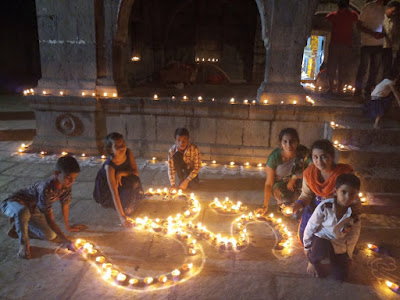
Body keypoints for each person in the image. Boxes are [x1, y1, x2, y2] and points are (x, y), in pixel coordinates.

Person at [1, 156, 83, 259]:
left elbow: (65, 205)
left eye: (74, 178)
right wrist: (65, 239)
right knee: (23, 211)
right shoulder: (46, 188)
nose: (71, 181)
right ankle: (23, 243)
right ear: (57, 173)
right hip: (13, 203)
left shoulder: (66, 186)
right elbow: (49, 219)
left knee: (51, 235)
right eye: (68, 178)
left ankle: (17, 227)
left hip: (32, 210)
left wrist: (68, 226)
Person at [293, 139, 362, 244]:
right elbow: (306, 195)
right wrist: (298, 204)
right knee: (305, 238)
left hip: (337, 210)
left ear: (332, 157)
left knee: (336, 241)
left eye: (324, 157)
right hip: (316, 209)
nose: (319, 162)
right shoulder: (309, 173)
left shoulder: (344, 173)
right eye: (315, 157)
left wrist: (353, 210)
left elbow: (352, 194)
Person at [304, 174, 361, 281]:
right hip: (322, 238)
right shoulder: (325, 206)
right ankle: (313, 261)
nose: (347, 197)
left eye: (352, 194)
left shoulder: (354, 216)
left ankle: (334, 260)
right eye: (343, 192)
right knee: (320, 249)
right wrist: (307, 245)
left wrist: (348, 256)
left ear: (356, 195)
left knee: (341, 277)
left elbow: (353, 237)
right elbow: (311, 225)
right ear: (335, 192)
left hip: (339, 243)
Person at [257, 128, 311, 215]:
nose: (288, 145)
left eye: (292, 141)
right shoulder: (274, 157)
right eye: (285, 141)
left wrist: (294, 177)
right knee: (286, 204)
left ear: (297, 141)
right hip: (281, 186)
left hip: (301, 182)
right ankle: (285, 207)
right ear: (280, 143)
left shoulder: (303, 153)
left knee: (306, 199)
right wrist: (265, 205)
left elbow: (313, 169)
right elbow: (269, 183)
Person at [93, 132, 143, 226]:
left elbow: (136, 172)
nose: (121, 148)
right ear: (111, 150)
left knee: (135, 181)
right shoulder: (110, 166)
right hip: (107, 188)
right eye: (117, 146)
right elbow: (114, 192)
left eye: (123, 145)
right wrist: (122, 217)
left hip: (121, 180)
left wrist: (121, 173)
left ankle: (126, 196)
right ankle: (117, 203)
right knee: (128, 211)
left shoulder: (128, 153)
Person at [325, 0, 358, 94]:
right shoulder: (353, 15)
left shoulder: (332, 16)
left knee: (332, 66)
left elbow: (327, 22)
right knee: (342, 67)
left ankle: (331, 88)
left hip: (335, 44)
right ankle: (339, 88)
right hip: (346, 45)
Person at [354, 0, 386, 98]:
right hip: (367, 43)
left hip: (380, 44)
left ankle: (368, 92)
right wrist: (372, 33)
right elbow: (359, 25)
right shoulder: (368, 7)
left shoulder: (385, 9)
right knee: (363, 68)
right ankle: (358, 92)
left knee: (374, 70)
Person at [382, 1, 400, 78]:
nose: (394, 13)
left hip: (391, 47)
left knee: (389, 68)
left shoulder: (395, 20)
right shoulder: (381, 17)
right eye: (393, 11)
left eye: (395, 12)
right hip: (381, 46)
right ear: (387, 8)